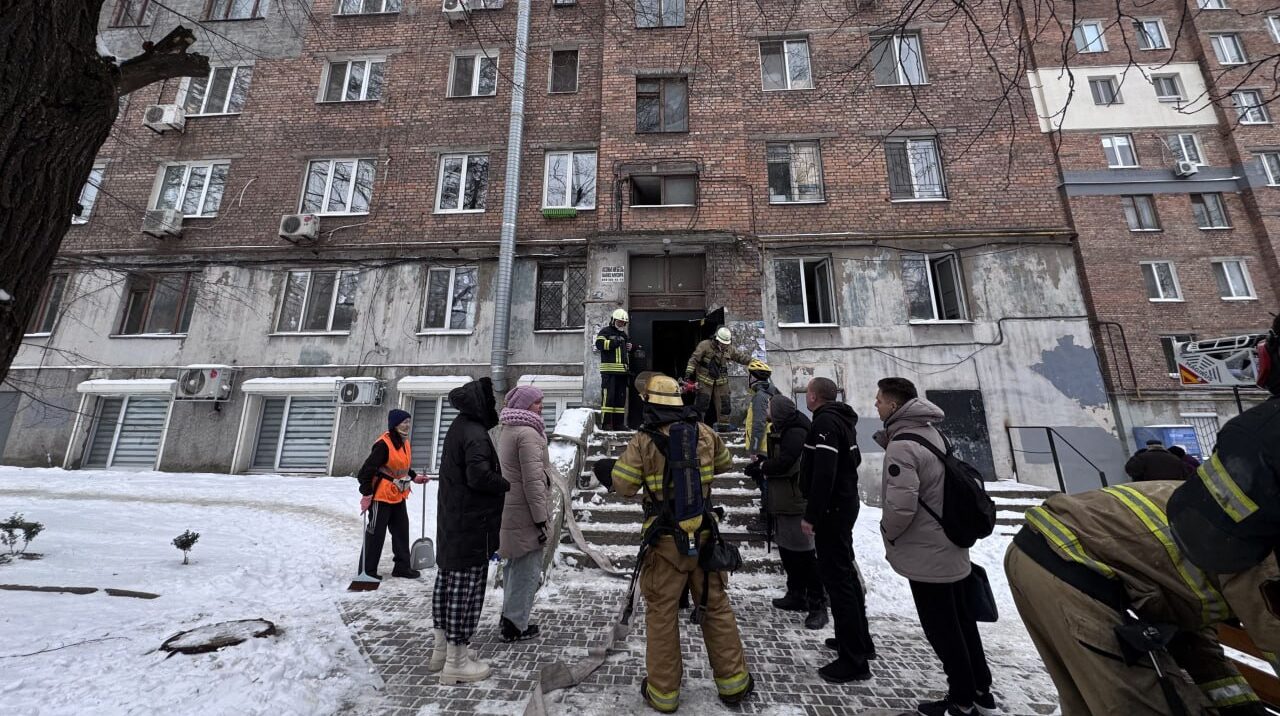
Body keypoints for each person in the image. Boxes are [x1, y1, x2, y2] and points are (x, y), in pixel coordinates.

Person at [1005, 314, 1280, 715]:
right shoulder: (1257, 546)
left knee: (1092, 698)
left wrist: (1240, 707)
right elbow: (1271, 628)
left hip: (1058, 552)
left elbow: (1194, 633)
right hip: (1070, 561)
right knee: (1133, 703)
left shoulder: (1225, 520)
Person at [599, 374, 754, 712]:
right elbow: (726, 464)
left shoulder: (643, 440)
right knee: (716, 608)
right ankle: (734, 684)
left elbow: (624, 486)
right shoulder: (704, 432)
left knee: (662, 616)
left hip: (665, 544)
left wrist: (607, 470)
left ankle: (664, 694)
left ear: (649, 402)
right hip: (705, 537)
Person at [874, 378, 994, 716]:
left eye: (879, 400)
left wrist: (887, 531)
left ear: (894, 405)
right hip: (951, 542)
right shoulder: (931, 433)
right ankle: (981, 691)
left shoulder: (901, 445)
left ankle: (961, 700)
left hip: (928, 552)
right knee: (962, 621)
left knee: (943, 629)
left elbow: (901, 506)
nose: (876, 405)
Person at [432, 377, 511, 685]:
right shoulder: (475, 434)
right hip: (471, 525)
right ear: (481, 403)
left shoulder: (459, 427)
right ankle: (456, 662)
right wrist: (503, 483)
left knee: (448, 585)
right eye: (491, 402)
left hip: (455, 523)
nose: (494, 407)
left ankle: (443, 650)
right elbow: (479, 477)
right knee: (465, 592)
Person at [800, 376, 876, 683]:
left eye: (807, 392)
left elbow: (824, 473)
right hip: (842, 507)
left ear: (815, 396)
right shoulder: (842, 421)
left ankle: (853, 661)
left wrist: (813, 515)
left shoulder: (825, 424)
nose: (806, 397)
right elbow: (853, 460)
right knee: (844, 576)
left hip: (832, 511)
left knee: (838, 581)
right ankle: (858, 641)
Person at [748, 394, 827, 629]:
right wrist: (763, 463)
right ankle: (796, 595)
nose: (767, 410)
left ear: (780, 411)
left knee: (804, 554)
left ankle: (818, 605)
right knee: (788, 552)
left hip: (794, 501)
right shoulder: (786, 427)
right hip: (783, 500)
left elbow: (787, 463)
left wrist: (762, 467)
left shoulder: (795, 432)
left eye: (770, 407)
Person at [496, 385, 554, 643]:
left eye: (541, 402)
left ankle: (509, 616)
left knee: (514, 566)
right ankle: (515, 625)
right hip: (526, 512)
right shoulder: (528, 433)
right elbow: (533, 481)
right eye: (535, 403)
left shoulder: (509, 429)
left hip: (511, 508)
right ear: (523, 405)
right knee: (526, 568)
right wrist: (541, 517)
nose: (540, 406)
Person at [356, 408, 429, 581]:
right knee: (375, 534)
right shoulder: (383, 444)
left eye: (409, 422)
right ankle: (367, 572)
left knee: (401, 531)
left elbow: (401, 466)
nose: (408, 425)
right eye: (404, 422)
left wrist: (414, 477)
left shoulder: (404, 442)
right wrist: (367, 494)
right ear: (395, 425)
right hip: (381, 496)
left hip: (398, 494)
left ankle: (402, 567)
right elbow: (365, 472)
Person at [683, 326, 754, 432]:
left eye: (726, 343)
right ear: (716, 339)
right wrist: (688, 374)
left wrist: (753, 361)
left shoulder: (730, 349)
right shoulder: (704, 345)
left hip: (721, 381)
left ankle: (723, 425)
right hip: (705, 380)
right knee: (702, 402)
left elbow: (740, 357)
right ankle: (698, 427)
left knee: (724, 403)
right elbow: (694, 360)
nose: (724, 345)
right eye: (722, 343)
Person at [595, 308, 632, 431]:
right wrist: (613, 342)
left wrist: (630, 347)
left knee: (620, 400)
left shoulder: (624, 335)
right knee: (608, 398)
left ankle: (618, 424)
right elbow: (599, 345)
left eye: (623, 322)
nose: (621, 324)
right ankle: (606, 424)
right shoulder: (605, 331)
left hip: (622, 373)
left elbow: (624, 353)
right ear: (613, 320)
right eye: (619, 321)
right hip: (609, 372)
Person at [1125, 439, 1194, 481]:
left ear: (1148, 447)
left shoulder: (1141, 458)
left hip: (1147, 490)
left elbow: (1130, 469)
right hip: (1170, 490)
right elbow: (1186, 475)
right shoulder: (1175, 459)